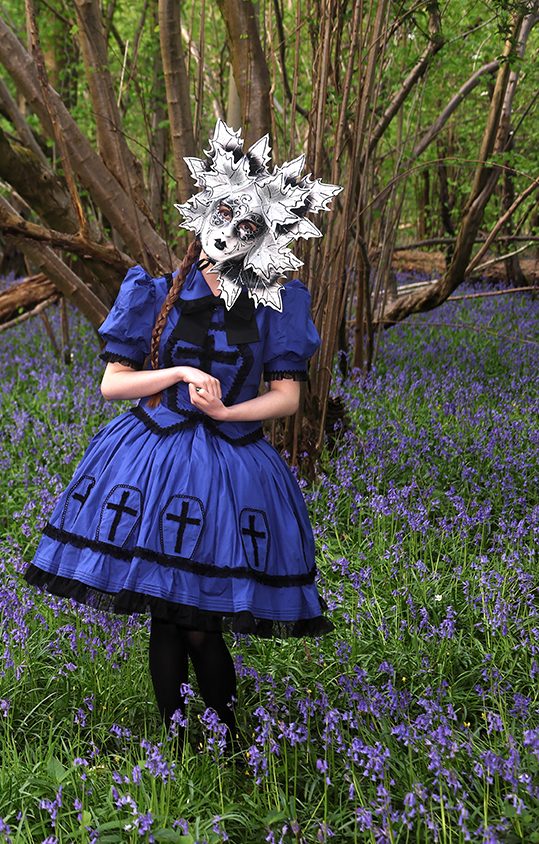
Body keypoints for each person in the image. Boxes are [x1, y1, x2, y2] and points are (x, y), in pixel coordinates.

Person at [24, 122, 339, 753]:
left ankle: (226, 744)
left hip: (233, 466)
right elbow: (114, 385)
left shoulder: (279, 301)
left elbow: (292, 397)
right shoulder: (157, 290)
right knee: (168, 614)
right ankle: (181, 743)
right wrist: (178, 373)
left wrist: (227, 413)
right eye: (221, 214)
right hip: (154, 457)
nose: (231, 231)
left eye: (248, 223)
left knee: (198, 618)